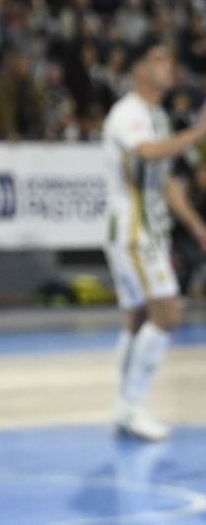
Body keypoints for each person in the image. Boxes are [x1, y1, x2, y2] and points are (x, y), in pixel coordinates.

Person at [102, 37, 206, 441]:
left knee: (138, 319)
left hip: (149, 227)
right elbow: (147, 153)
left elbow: (166, 184)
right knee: (168, 314)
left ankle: (124, 406)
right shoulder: (126, 113)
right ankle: (133, 405)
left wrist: (196, 225)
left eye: (169, 61)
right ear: (138, 70)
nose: (168, 68)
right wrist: (198, 133)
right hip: (132, 228)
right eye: (158, 60)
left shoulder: (159, 116)